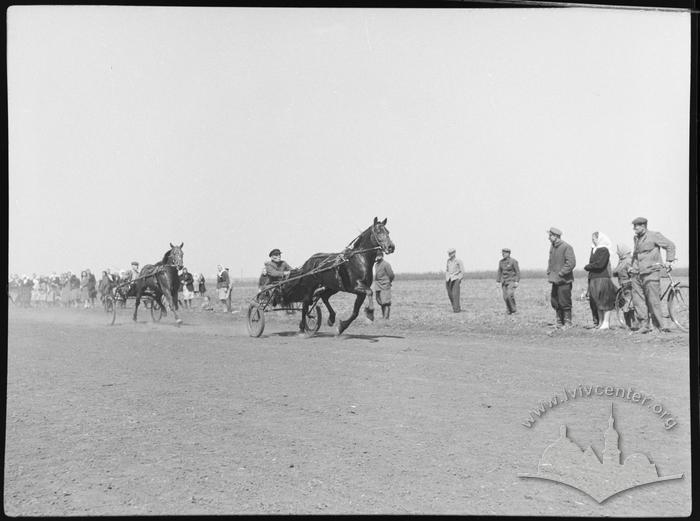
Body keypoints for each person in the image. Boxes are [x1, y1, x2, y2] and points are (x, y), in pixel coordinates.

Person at [629, 217, 676, 333]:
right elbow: (636, 255)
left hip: (651, 272)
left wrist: (669, 260)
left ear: (644, 226)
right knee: (638, 301)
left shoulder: (654, 235)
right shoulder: (636, 238)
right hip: (636, 273)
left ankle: (659, 326)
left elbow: (670, 245)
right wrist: (631, 267)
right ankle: (644, 326)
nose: (634, 228)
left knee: (653, 300)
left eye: (637, 226)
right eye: (634, 226)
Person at [583, 232, 617, 330]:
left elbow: (600, 264)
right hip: (594, 278)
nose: (593, 240)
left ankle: (606, 322)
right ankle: (601, 322)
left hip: (602, 278)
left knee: (605, 300)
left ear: (599, 239)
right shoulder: (595, 250)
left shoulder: (604, 250)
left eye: (594, 238)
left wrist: (588, 266)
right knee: (597, 301)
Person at [546, 227, 576, 329]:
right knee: (555, 301)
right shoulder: (552, 247)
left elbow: (571, 263)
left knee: (565, 302)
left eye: (550, 236)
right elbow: (550, 261)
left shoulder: (567, 247)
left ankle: (567, 323)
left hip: (564, 281)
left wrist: (561, 273)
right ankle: (559, 322)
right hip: (555, 280)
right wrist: (549, 271)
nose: (549, 238)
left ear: (556, 236)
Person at [364, 251, 395, 320]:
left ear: (382, 256)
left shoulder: (386, 264)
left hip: (385, 286)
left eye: (379, 256)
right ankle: (384, 317)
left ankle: (386, 319)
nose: (377, 257)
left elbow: (391, 275)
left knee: (386, 302)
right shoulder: (376, 265)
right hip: (378, 286)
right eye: (376, 256)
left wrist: (388, 282)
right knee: (380, 302)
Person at [613, 243, 635, 328]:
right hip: (629, 285)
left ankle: (628, 324)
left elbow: (614, 273)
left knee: (628, 303)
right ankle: (633, 323)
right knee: (631, 304)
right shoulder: (629, 261)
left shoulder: (622, 262)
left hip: (625, 285)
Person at [496, 248, 520, 315]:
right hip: (504, 282)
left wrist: (517, 281)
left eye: (505, 253)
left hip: (511, 281)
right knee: (505, 297)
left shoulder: (513, 261)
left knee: (509, 295)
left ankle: (514, 310)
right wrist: (498, 281)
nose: (503, 254)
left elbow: (517, 272)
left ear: (509, 253)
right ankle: (509, 310)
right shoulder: (501, 262)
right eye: (502, 253)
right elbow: (499, 272)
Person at [445, 248, 464, 313]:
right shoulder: (448, 261)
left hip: (455, 279)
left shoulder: (458, 261)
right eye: (449, 253)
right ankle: (454, 307)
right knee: (450, 295)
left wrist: (459, 279)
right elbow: (447, 269)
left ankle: (457, 310)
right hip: (449, 279)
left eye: (451, 253)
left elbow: (462, 271)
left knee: (455, 294)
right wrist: (446, 277)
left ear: (454, 253)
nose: (450, 254)